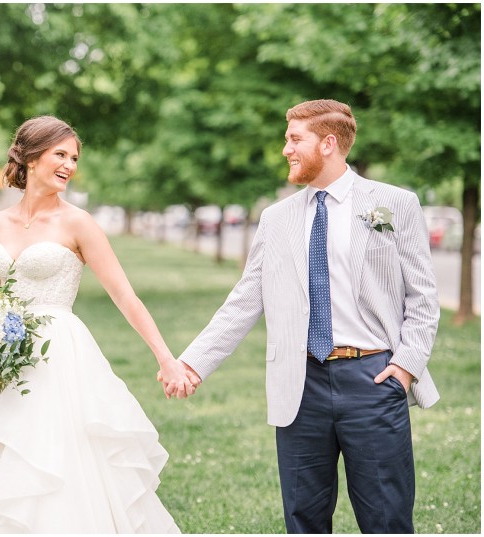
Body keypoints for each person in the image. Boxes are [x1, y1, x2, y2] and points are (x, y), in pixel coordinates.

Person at [0, 115, 196, 533]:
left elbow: (124, 295)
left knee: (60, 460)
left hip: (59, 358)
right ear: (30, 157)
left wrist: (166, 357)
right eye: (60, 154)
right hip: (4, 362)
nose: (69, 165)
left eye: (74, 157)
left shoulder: (78, 223)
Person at [171, 99, 440, 533]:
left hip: (373, 380)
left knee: (387, 517)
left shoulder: (393, 204)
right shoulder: (276, 218)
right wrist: (193, 363)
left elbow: (423, 297)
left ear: (329, 143)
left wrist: (405, 368)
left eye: (295, 139)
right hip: (301, 386)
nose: (286, 150)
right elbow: (244, 298)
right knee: (303, 520)